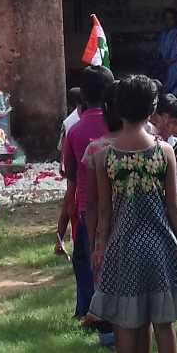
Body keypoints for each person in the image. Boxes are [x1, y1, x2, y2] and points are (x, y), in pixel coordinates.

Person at [88, 75, 177, 353]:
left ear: (118, 108)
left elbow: (104, 211)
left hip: (123, 245)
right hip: (161, 244)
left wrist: (99, 247)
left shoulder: (105, 156)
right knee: (164, 324)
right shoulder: (164, 152)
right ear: (152, 109)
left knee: (126, 322)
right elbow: (173, 205)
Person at [59, 65, 113, 323]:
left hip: (86, 206)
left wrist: (67, 212)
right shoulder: (118, 126)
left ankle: (87, 309)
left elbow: (69, 174)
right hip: (118, 202)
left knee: (86, 259)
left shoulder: (75, 130)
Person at [156, 8, 177, 93]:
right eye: (166, 19)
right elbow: (160, 50)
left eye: (171, 19)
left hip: (176, 64)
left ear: (175, 20)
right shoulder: (163, 34)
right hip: (165, 64)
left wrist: (169, 61)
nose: (168, 21)